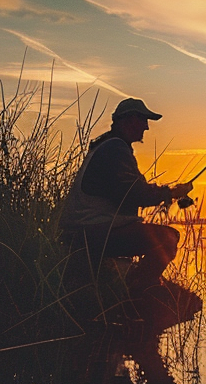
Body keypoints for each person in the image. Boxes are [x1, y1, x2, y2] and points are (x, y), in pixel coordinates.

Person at [61, 98, 193, 290]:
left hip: (88, 232)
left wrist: (169, 193)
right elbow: (136, 194)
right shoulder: (115, 149)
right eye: (144, 121)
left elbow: (130, 191)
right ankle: (138, 290)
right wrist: (170, 193)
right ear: (131, 120)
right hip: (92, 233)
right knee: (168, 238)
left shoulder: (108, 146)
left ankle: (132, 282)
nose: (146, 127)